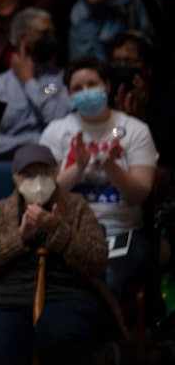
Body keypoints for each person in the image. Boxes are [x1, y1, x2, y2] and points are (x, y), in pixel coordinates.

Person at [0, 144, 122, 364]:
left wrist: (58, 230)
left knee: (60, 335)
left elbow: (97, 260)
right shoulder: (0, 210)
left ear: (55, 174)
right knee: (0, 344)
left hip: (68, 293)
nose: (38, 180)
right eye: (29, 175)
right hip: (8, 296)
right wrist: (19, 237)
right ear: (16, 179)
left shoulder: (76, 207)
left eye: (44, 173)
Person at [39, 57, 158, 298]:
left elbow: (140, 193)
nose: (86, 92)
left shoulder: (135, 130)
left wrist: (112, 168)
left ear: (106, 85)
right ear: (69, 94)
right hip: (70, 231)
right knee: (57, 282)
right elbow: (44, 194)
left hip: (122, 232)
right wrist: (78, 167)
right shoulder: (56, 131)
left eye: (92, 84)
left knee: (105, 281)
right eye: (77, 88)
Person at [0, 8, 71, 160]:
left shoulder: (62, 79)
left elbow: (60, 121)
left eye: (52, 33)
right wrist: (36, 140)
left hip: (54, 161)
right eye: (45, 34)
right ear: (23, 38)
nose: (52, 39)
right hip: (8, 165)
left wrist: (28, 82)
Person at [107, 30, 175, 171]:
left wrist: (140, 122)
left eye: (131, 61)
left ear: (148, 67)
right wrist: (121, 121)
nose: (124, 67)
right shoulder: (109, 95)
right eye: (118, 62)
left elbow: (166, 150)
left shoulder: (167, 100)